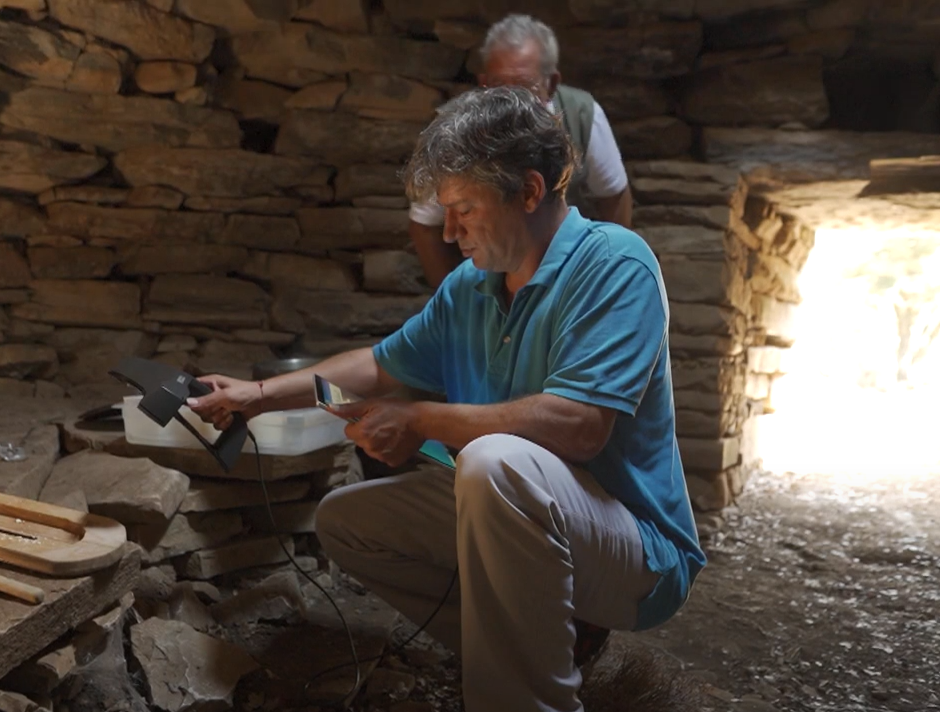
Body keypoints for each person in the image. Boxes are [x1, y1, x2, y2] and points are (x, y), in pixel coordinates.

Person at [187, 86, 705, 712]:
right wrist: (259, 395)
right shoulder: (472, 286)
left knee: (491, 463)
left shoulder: (615, 266)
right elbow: (377, 366)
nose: (450, 231)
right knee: (348, 523)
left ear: (531, 192)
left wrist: (422, 418)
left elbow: (579, 427)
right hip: (528, 514)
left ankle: (525, 701)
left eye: (464, 209)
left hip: (634, 548)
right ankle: (548, 652)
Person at [410, 13, 634, 291]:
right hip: (487, 285)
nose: (511, 104)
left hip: (566, 282)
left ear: (551, 84)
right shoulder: (454, 131)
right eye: (498, 89)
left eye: (525, 89)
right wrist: (456, 306)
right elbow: (424, 225)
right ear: (483, 84)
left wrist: (604, 279)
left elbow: (614, 197)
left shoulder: (582, 117)